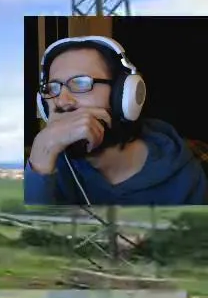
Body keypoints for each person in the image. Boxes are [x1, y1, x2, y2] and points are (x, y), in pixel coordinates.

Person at [25, 36, 208, 206]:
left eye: (81, 83)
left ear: (124, 95)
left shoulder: (185, 177)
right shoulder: (41, 164)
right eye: (52, 88)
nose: (62, 101)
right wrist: (40, 166)